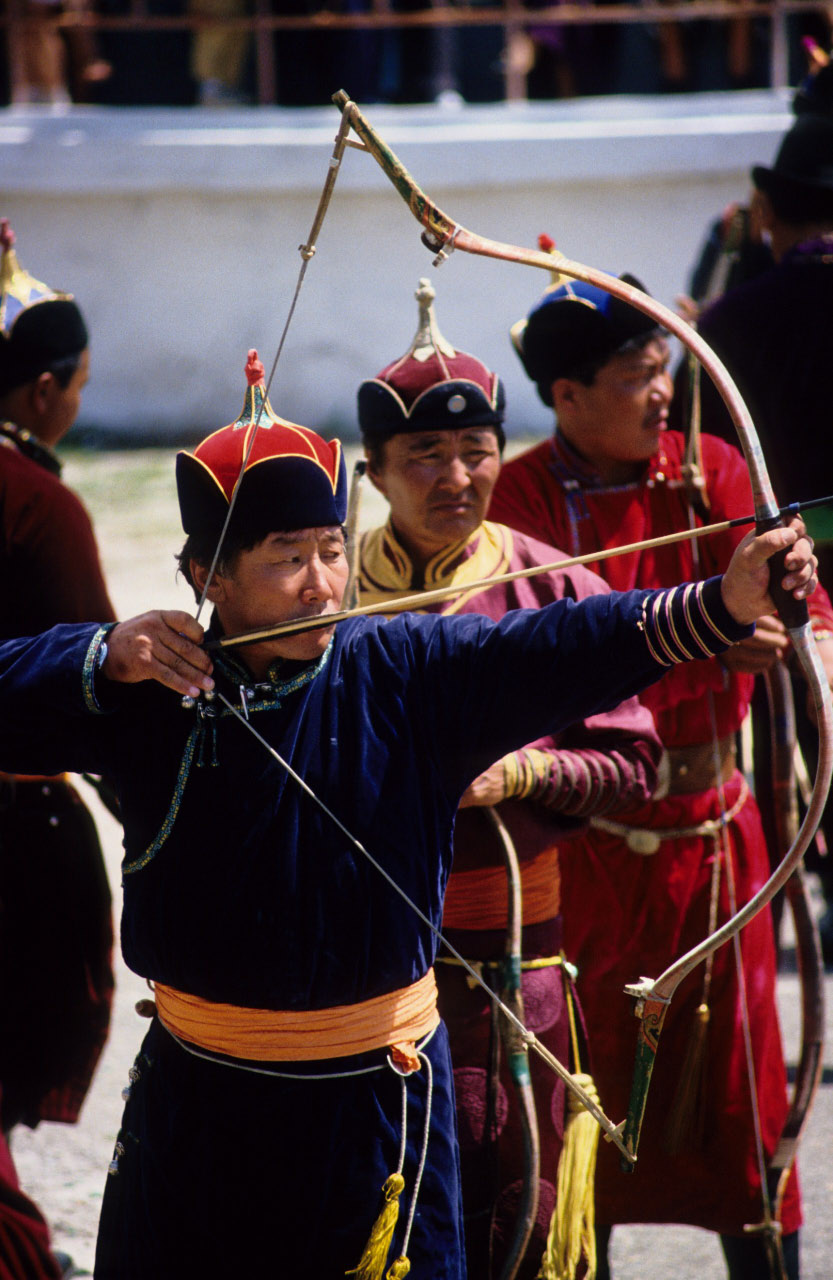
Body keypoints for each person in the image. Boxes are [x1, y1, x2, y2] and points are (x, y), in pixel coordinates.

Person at [0, 346, 818, 1280]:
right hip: (200, 1106)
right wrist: (101, 650)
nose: (319, 584)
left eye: (330, 552)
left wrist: (718, 601)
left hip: (378, 1116)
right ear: (207, 576)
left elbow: (554, 644)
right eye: (285, 559)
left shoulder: (401, 671)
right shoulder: (155, 689)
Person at [489, 274, 833, 1280]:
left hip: (714, 842)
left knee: (738, 1097)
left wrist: (786, 599)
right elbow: (538, 649)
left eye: (663, 371)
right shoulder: (519, 495)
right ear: (565, 396)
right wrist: (709, 634)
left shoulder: (713, 468)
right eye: (636, 376)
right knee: (581, 1090)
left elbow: (772, 611)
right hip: (584, 841)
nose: (659, 395)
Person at [354, 279, 663, 1279]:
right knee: (372, 1206)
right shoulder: (326, 595)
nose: (455, 476)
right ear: (373, 470)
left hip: (510, 961)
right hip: (357, 960)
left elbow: (635, 755)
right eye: (424, 456)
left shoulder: (551, 585)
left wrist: (523, 766)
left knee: (509, 1210)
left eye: (476, 450)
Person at [0, 221, 115, 1279]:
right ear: (42, 390)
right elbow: (99, 688)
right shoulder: (39, 504)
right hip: (13, 834)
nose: (75, 401)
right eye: (76, 383)